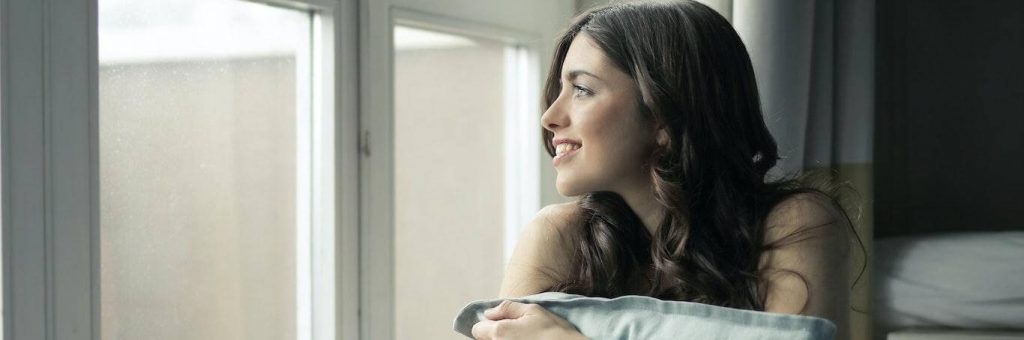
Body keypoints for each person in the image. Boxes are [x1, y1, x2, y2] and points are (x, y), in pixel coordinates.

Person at [469, 1, 862, 339]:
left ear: (664, 116)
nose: (550, 117)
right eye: (558, 91)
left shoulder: (793, 224)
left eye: (582, 90)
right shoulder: (558, 236)